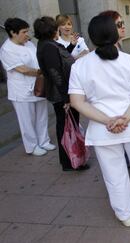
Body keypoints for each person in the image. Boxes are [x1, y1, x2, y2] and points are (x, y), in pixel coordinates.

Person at [69, 15, 130, 227]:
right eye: (119, 25)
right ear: (111, 32)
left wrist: (109, 120)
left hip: (103, 130)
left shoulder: (80, 66)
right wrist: (125, 118)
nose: (123, 27)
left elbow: (77, 102)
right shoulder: (129, 61)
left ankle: (125, 213)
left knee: (113, 173)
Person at [34, 16, 89, 171]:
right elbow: (56, 73)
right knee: (67, 128)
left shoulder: (47, 45)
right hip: (62, 95)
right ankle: (71, 161)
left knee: (68, 126)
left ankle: (71, 159)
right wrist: (66, 98)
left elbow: (62, 60)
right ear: (53, 30)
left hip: (62, 93)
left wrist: (70, 47)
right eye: (58, 27)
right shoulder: (49, 47)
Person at [0, 18, 55, 156]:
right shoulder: (7, 49)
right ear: (13, 33)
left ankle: (44, 141)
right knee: (27, 120)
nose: (27, 34)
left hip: (38, 86)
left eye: (27, 31)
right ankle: (32, 146)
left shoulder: (29, 44)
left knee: (42, 116)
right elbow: (23, 69)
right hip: (21, 91)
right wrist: (42, 72)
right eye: (24, 32)